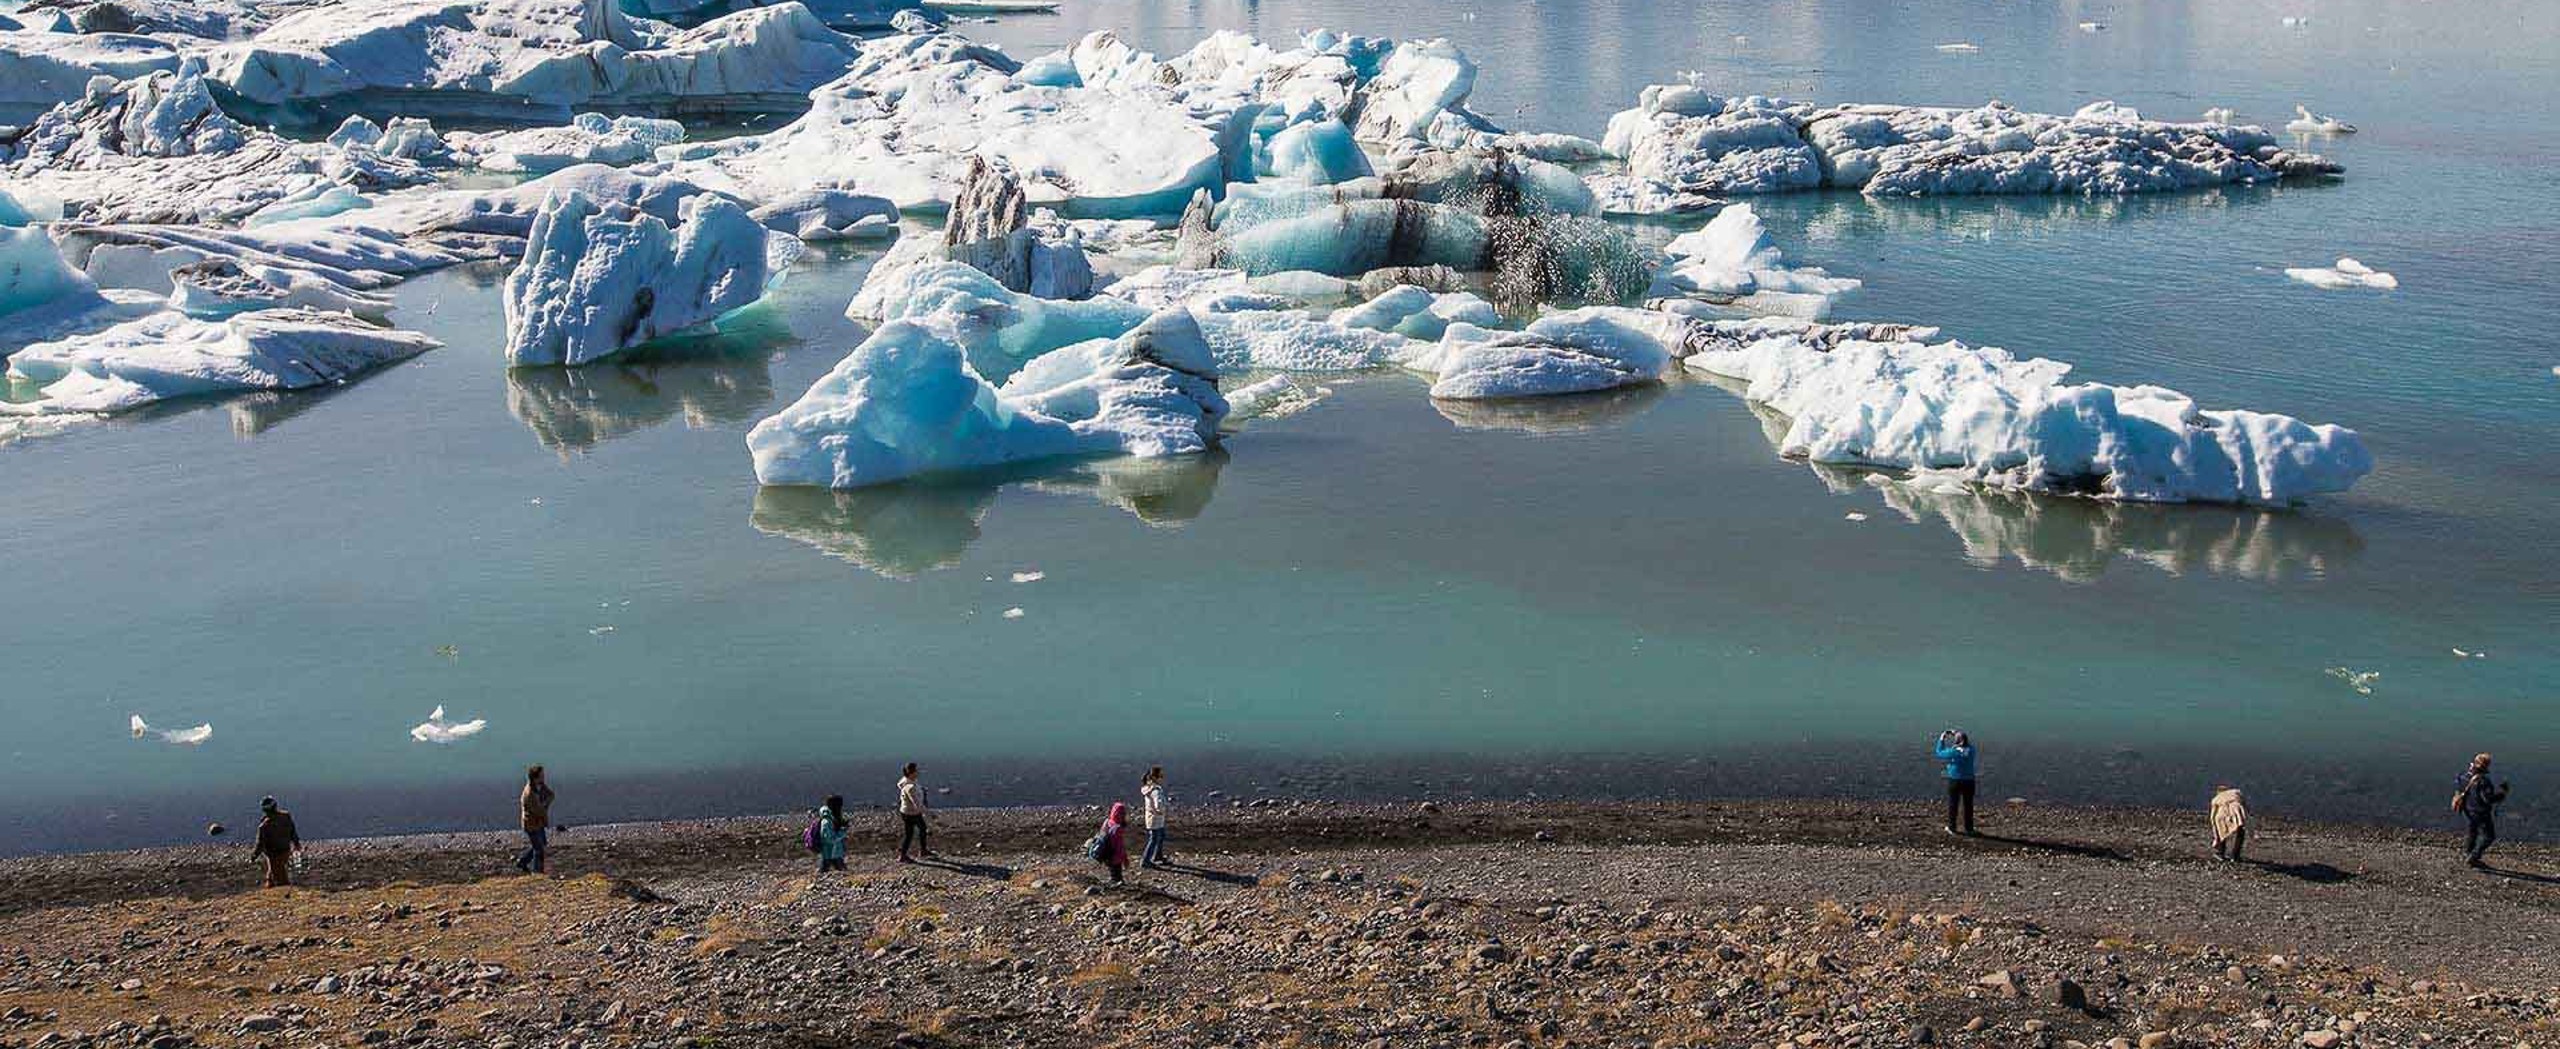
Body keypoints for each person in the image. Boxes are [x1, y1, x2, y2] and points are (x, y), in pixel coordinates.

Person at [2456, 753, 2511, 868]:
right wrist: (2502, 793)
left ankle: (2468, 853)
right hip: (2481, 813)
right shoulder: (2483, 781)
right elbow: (2488, 799)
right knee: (2489, 837)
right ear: (2486, 766)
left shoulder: (2463, 776)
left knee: (2472, 832)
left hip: (2467, 810)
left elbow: (2459, 789)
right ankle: (2474, 857)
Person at [1933, 730, 1977, 836]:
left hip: (1955, 781)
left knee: (1953, 805)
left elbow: (1939, 752)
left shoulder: (1953, 752)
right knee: (1968, 805)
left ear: (1956, 741)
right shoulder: (1972, 750)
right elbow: (1966, 745)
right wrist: (1957, 733)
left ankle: (1952, 828)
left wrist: (1942, 739)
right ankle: (1969, 828)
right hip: (1969, 781)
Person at [253, 796, 301, 888]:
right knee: (275, 870)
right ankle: (270, 886)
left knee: (281, 877)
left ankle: (282, 892)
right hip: (285, 850)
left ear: (265, 810)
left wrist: (254, 856)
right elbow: (292, 831)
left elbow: (260, 844)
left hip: (273, 854)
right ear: (275, 806)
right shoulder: (286, 816)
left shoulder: (264, 826)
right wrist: (296, 843)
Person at [516, 766, 554, 874]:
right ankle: (538, 872)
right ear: (535, 778)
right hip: (531, 825)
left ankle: (522, 861)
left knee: (539, 845)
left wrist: (545, 802)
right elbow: (539, 810)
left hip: (539, 823)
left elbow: (551, 795)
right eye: (542, 776)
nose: (544, 777)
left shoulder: (540, 785)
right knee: (539, 850)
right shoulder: (529, 795)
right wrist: (546, 803)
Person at [897, 763, 933, 863]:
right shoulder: (910, 787)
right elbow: (917, 804)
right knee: (910, 834)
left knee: (921, 829)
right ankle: (903, 855)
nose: (918, 772)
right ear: (911, 773)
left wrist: (921, 791)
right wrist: (930, 814)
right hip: (911, 813)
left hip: (907, 811)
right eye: (916, 770)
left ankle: (922, 850)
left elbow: (900, 785)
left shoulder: (907, 781)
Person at [1139, 767, 1170, 869]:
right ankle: (1145, 860)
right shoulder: (1156, 790)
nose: (1162, 778)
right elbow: (1158, 805)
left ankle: (1158, 856)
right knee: (1154, 839)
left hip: (1152, 818)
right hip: (1156, 818)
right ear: (1155, 777)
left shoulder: (1148, 788)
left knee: (1160, 836)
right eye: (1161, 776)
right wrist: (1162, 811)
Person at [1092, 801, 1130, 884]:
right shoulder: (1117, 828)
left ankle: (1113, 883)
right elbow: (1120, 847)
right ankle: (1115, 887)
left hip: (1106, 854)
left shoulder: (1107, 822)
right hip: (1114, 857)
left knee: (1113, 873)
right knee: (1117, 877)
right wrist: (1125, 859)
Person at [2209, 785, 2249, 863]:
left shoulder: (2216, 799)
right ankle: (2235, 856)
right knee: (2240, 832)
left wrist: (2215, 834)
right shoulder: (2236, 793)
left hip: (2222, 815)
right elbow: (2244, 804)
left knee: (2221, 833)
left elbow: (2212, 816)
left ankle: (2221, 853)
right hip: (2236, 812)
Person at [814, 794, 850, 872]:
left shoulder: (832, 819)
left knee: (839, 871)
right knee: (828, 870)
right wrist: (842, 832)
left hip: (834, 853)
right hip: (829, 853)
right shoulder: (826, 821)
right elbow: (829, 839)